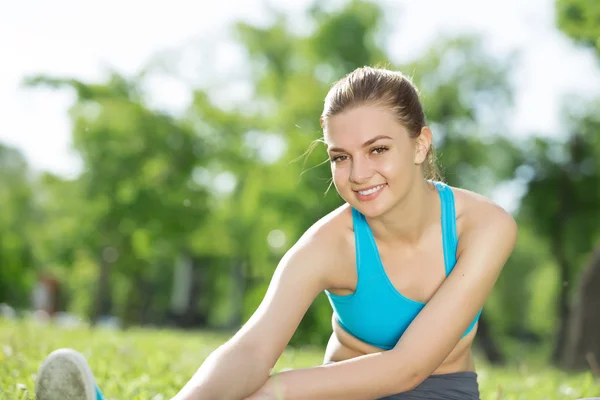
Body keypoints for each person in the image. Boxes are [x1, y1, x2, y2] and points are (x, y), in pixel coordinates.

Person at [35, 66, 518, 400]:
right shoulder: (328, 245)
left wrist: (274, 391)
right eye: (340, 157)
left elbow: (408, 367)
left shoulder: (483, 226)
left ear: (419, 144)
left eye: (377, 149)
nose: (358, 173)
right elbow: (251, 347)